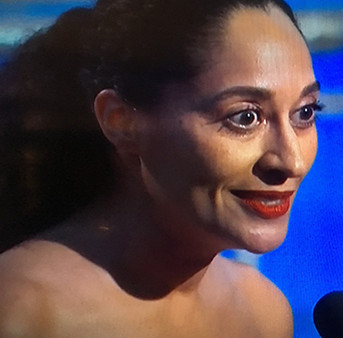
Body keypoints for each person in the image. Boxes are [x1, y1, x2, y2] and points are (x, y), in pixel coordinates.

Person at [0, 0, 321, 336]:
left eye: (305, 113)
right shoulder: (21, 313)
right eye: (244, 117)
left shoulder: (262, 312)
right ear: (121, 121)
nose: (292, 161)